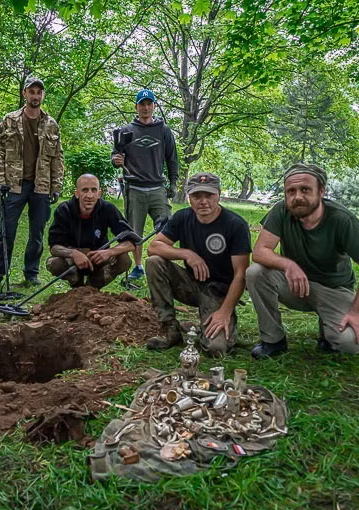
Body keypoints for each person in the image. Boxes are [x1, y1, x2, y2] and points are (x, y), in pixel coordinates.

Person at [246, 163, 359, 358]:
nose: (298, 197)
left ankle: (328, 330)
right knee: (255, 272)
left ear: (321, 191)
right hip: (295, 285)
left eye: (305, 190)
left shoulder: (343, 220)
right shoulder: (281, 211)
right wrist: (289, 264)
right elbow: (260, 251)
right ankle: (273, 340)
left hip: (334, 290)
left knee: (350, 343)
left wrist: (358, 312)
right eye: (291, 191)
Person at [145, 172, 251, 357]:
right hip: (190, 284)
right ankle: (169, 329)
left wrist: (225, 312)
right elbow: (153, 247)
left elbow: (241, 275)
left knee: (215, 349)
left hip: (218, 291)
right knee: (154, 262)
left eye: (209, 195)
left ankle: (213, 325)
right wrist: (186, 254)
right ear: (189, 197)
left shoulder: (235, 224)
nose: (203, 201)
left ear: (219, 194)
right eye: (196, 196)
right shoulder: (182, 217)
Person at [0, 77, 64, 288]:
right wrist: (0, 180)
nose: (35, 96)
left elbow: (57, 157)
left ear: (42, 95)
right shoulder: (10, 120)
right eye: (32, 92)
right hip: (13, 184)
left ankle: (31, 273)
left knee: (37, 233)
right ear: (25, 94)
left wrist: (56, 185)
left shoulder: (51, 124)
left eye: (39, 92)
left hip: (41, 185)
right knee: (5, 232)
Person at [111, 89, 179, 282]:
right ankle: (138, 266)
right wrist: (115, 160)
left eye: (149, 104)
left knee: (166, 227)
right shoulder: (126, 131)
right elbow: (116, 155)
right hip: (134, 188)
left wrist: (173, 183)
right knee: (134, 232)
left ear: (154, 106)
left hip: (157, 187)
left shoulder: (164, 131)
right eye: (142, 104)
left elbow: (172, 159)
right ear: (136, 107)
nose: (146, 108)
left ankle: (162, 265)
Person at [46, 174, 136, 288]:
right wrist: (74, 254)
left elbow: (131, 242)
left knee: (124, 260)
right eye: (85, 190)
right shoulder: (64, 210)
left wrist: (110, 252)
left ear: (99, 193)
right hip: (73, 259)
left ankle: (93, 286)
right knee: (54, 264)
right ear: (77, 193)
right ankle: (77, 285)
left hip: (99, 258)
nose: (89, 195)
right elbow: (54, 247)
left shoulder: (108, 209)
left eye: (94, 190)